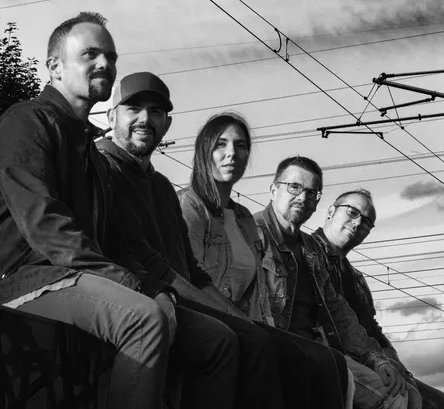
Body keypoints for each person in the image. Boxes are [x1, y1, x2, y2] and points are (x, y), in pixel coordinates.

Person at [0, 12, 237, 409]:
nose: (104, 64)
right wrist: (133, 287)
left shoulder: (92, 155)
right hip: (28, 280)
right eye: (90, 54)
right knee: (143, 318)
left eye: (110, 57)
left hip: (81, 280)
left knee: (218, 341)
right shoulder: (27, 120)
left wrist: (155, 288)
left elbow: (116, 242)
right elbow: (45, 226)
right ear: (55, 66)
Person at [97, 72, 284, 409]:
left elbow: (193, 272)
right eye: (134, 109)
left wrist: (238, 318)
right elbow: (141, 260)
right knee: (228, 341)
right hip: (135, 298)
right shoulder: (103, 168)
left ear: (167, 124)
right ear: (111, 117)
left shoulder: (161, 188)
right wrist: (227, 318)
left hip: (175, 297)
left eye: (156, 112)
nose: (145, 119)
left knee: (290, 351)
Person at [178, 112, 354, 409]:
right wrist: (248, 325)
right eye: (221, 144)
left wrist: (264, 326)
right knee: (278, 353)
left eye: (240, 146)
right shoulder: (189, 207)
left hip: (245, 321)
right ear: (204, 150)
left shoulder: (243, 218)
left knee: (326, 360)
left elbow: (259, 292)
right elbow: (190, 279)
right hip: (208, 316)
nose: (232, 153)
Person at [252, 156, 415, 409]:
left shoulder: (310, 251)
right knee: (392, 397)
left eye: (312, 192)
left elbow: (339, 313)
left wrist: (379, 360)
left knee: (402, 392)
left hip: (318, 349)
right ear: (274, 190)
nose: (303, 197)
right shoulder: (251, 232)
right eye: (294, 187)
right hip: (277, 345)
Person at [312, 188, 444, 409]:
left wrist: (399, 367)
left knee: (436, 401)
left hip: (369, 358)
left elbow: (373, 330)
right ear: (330, 212)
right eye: (352, 212)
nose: (358, 223)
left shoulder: (356, 279)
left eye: (366, 222)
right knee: (403, 399)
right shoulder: (306, 253)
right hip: (335, 354)